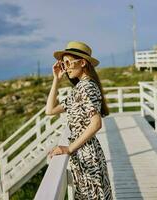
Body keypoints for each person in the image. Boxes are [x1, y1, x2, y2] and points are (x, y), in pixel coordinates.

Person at [45, 41, 113, 200]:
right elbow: (50, 110)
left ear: (82, 63)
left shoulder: (87, 87)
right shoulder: (79, 89)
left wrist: (68, 149)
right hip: (82, 153)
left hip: (87, 155)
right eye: (63, 63)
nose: (66, 67)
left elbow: (96, 123)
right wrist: (56, 79)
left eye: (68, 62)